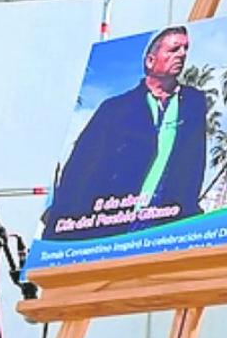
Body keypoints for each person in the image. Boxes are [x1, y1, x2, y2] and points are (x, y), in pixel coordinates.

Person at [44, 25, 207, 240]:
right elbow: (81, 167)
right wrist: (61, 221)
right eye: (174, 49)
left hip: (168, 223)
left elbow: (195, 164)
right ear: (150, 60)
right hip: (113, 223)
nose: (182, 54)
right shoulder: (116, 108)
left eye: (185, 48)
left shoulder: (194, 103)